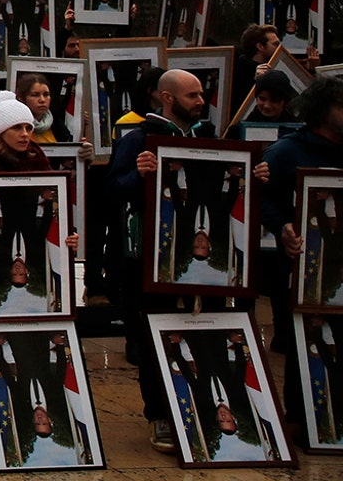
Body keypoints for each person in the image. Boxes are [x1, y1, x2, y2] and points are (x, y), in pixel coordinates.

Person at [108, 68, 269, 453]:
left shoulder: (209, 139)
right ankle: (159, 413)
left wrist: (253, 176)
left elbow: (224, 189)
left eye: (201, 95)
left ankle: (207, 406)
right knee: (154, 333)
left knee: (209, 329)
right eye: (193, 95)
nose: (201, 101)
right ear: (167, 98)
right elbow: (113, 190)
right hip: (152, 256)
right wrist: (139, 176)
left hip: (204, 256)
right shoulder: (138, 140)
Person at [265, 78, 343, 442]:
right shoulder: (287, 152)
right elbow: (264, 200)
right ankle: (301, 418)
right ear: (323, 110)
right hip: (305, 267)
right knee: (305, 339)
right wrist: (282, 227)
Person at [0, 97, 79, 309]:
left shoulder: (41, 165)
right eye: (17, 127)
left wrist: (70, 236)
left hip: (34, 260)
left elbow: (59, 214)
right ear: (1, 131)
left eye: (29, 127)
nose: (25, 134)